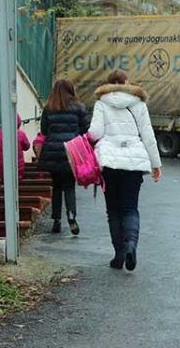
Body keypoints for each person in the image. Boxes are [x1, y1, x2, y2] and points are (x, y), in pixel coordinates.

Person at [88, 70, 162, 271]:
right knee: (130, 208)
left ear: (108, 83)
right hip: (133, 163)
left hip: (109, 162)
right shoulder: (138, 103)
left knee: (113, 210)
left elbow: (94, 133)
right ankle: (131, 245)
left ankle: (118, 255)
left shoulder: (101, 103)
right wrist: (156, 164)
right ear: (127, 82)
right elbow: (148, 135)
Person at [39, 79, 90, 235]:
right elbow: (85, 129)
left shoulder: (49, 108)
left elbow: (44, 130)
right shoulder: (79, 107)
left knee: (56, 187)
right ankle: (72, 217)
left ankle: (56, 220)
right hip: (71, 152)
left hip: (53, 151)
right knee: (69, 186)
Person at [0, 114, 31, 183]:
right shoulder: (21, 134)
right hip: (18, 166)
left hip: (1, 167)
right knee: (16, 181)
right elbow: (27, 146)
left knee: (4, 180)